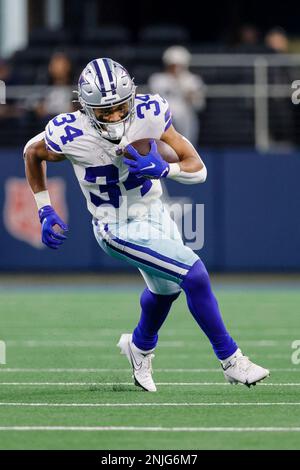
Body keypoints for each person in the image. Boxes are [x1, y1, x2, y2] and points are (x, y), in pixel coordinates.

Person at [24, 58, 269, 392]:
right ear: (84, 107)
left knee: (164, 291)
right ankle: (231, 361)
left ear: (133, 98)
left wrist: (167, 170)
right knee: (193, 274)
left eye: (120, 107)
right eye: (104, 111)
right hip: (115, 225)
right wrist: (44, 209)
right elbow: (31, 152)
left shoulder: (150, 112)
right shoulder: (69, 132)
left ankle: (138, 348)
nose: (114, 117)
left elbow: (198, 168)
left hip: (154, 210)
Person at [148, 46, 206, 147]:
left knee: (186, 149)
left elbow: (199, 105)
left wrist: (190, 95)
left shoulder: (193, 80)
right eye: (173, 65)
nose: (176, 68)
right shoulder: (157, 79)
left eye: (179, 65)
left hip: (186, 121)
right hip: (163, 120)